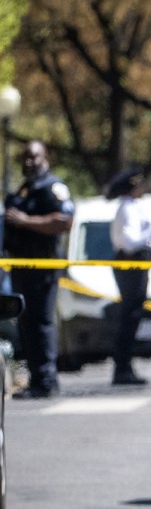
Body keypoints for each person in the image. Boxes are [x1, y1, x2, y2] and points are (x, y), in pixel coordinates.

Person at [3, 141, 74, 399]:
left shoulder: (53, 188)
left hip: (43, 267)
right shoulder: (23, 190)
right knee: (27, 323)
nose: (29, 162)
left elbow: (65, 220)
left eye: (34, 157)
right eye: (25, 158)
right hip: (21, 267)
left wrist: (26, 221)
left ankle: (46, 381)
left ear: (46, 158)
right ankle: (36, 380)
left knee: (42, 323)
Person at [107, 166, 151, 386]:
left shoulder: (134, 207)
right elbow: (129, 243)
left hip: (137, 263)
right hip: (130, 264)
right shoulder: (127, 209)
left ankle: (126, 367)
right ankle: (122, 368)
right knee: (129, 317)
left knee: (133, 316)